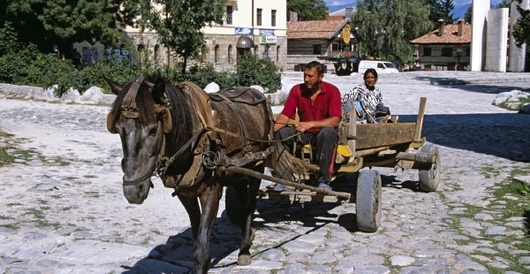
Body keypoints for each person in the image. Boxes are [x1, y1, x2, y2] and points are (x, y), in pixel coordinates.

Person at [272, 61, 342, 192]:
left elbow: (335, 121)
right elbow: (285, 116)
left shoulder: (332, 91)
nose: (306, 79)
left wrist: (310, 124)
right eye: (304, 75)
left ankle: (323, 182)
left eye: (310, 76)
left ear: (320, 77)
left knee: (328, 133)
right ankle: (284, 180)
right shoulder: (297, 90)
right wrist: (270, 135)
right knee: (282, 133)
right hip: (303, 133)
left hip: (322, 133)